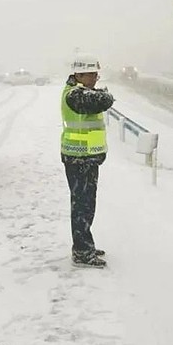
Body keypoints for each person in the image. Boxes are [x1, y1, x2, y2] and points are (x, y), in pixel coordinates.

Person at [60, 53, 115, 268]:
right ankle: (82, 251)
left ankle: (85, 245)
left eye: (96, 75)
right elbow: (103, 100)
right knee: (82, 206)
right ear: (79, 74)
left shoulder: (82, 91)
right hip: (78, 158)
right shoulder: (75, 95)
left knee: (87, 205)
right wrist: (104, 94)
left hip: (87, 158)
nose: (95, 79)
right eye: (92, 75)